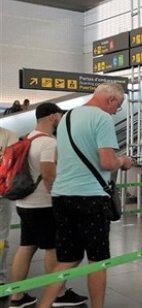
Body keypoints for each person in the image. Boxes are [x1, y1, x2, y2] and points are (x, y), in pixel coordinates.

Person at [38, 83, 133, 308]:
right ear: (110, 100)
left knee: (68, 258)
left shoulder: (66, 118)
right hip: (90, 197)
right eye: (117, 107)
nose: (114, 112)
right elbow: (107, 162)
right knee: (97, 260)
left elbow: (61, 158)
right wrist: (124, 161)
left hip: (62, 195)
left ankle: (44, 305)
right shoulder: (102, 119)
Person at [9, 104, 88, 308]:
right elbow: (49, 175)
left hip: (24, 203)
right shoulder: (48, 143)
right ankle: (59, 294)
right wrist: (59, 199)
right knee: (53, 248)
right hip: (44, 205)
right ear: (53, 116)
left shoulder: (27, 138)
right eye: (60, 116)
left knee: (26, 246)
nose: (61, 119)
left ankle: (16, 296)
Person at [0, 126, 18, 287]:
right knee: (1, 236)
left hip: (2, 194)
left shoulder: (9, 135)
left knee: (1, 237)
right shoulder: (8, 135)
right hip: (2, 192)